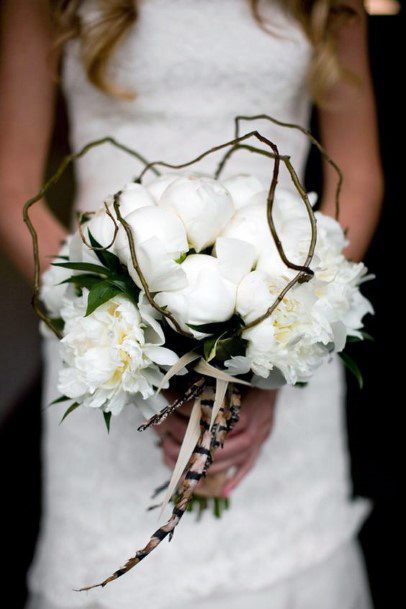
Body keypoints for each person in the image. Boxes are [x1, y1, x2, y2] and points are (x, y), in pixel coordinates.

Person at [0, 1, 383, 608]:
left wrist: (273, 359)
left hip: (282, 318)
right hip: (106, 345)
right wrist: (110, 325)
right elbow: (12, 184)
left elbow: (356, 175)